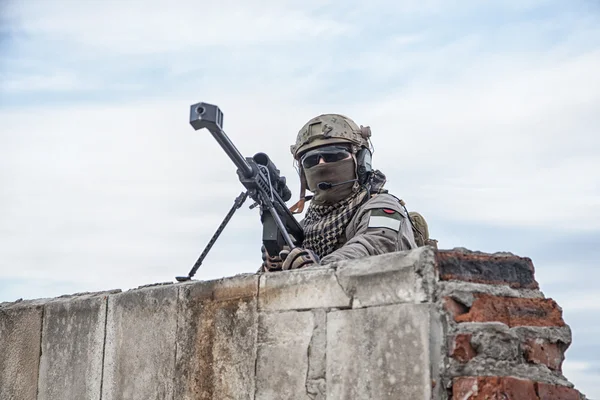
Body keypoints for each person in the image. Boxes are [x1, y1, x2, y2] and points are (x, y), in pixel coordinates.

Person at [260, 113, 420, 272]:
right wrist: (273, 268)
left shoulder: (382, 207)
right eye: (311, 160)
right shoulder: (304, 228)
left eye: (334, 155)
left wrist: (318, 269)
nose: (321, 165)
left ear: (361, 161)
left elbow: (374, 247)